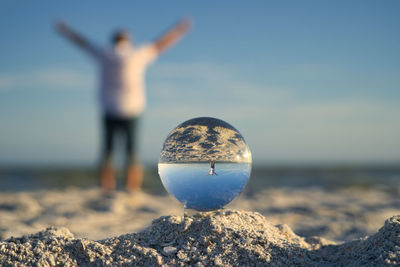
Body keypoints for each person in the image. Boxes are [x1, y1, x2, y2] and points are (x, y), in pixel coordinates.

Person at [55, 18, 192, 193]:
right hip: (132, 109)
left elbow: (82, 42)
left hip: (109, 108)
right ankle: (132, 187)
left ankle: (107, 187)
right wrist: (179, 29)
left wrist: (66, 30)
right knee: (132, 151)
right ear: (128, 40)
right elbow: (161, 44)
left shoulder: (104, 53)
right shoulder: (137, 54)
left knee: (107, 151)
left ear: (113, 40)